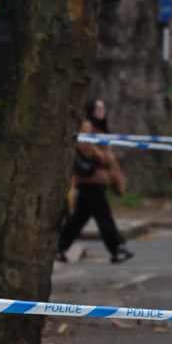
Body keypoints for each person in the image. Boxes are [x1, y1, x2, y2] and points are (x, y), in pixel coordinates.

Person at [57, 98, 134, 264]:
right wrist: (105, 157)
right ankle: (117, 248)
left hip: (97, 180)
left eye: (103, 109)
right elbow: (86, 148)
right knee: (103, 216)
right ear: (91, 110)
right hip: (91, 179)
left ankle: (59, 247)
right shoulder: (87, 127)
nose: (101, 112)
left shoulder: (100, 129)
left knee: (79, 218)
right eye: (98, 109)